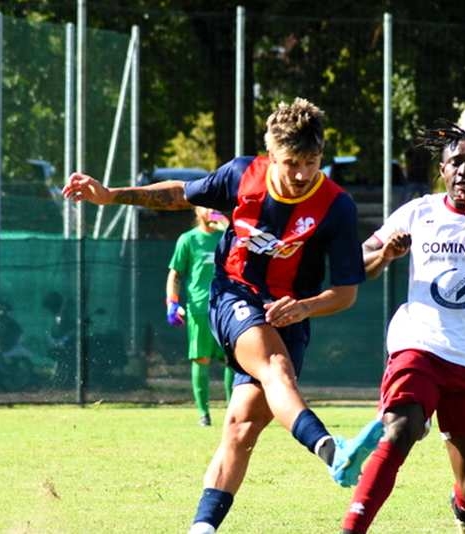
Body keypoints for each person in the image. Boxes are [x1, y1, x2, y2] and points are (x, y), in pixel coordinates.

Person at [63, 98, 382, 534]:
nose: (302, 174)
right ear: (271, 155)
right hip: (234, 295)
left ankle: (202, 528)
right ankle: (333, 451)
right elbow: (180, 193)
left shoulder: (336, 206)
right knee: (275, 366)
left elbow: (345, 294)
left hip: (290, 315)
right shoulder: (241, 175)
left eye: (311, 162)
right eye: (292, 163)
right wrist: (111, 195)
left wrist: (304, 306)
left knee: (241, 427)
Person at [339, 120, 465, 534]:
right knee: (399, 430)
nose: (464, 170)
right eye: (455, 163)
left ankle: (462, 510)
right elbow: (358, 262)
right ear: (443, 170)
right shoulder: (418, 212)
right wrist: (385, 255)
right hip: (419, 345)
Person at [166, 206, 235, 426]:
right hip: (198, 309)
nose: (211, 209)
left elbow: (243, 247)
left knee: (233, 360)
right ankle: (203, 414)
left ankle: (234, 412)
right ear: (196, 211)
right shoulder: (188, 239)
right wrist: (172, 303)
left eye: (214, 205)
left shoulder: (225, 236)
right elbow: (175, 274)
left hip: (226, 308)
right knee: (201, 358)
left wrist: (226, 225)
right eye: (205, 206)